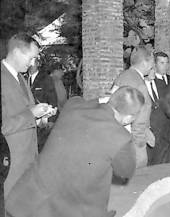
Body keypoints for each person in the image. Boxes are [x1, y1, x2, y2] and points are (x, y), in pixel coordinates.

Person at [6, 86, 144, 217]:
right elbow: (126, 172)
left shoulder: (73, 106)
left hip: (27, 202)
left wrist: (104, 100)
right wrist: (125, 129)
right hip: (69, 211)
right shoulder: (121, 138)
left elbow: (80, 99)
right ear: (129, 118)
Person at [1, 32, 55, 198]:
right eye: (31, 58)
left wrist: (41, 117)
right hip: (10, 164)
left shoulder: (20, 77)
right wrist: (32, 114)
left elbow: (25, 112)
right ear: (16, 52)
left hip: (27, 161)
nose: (33, 63)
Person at [111, 46, 155, 168]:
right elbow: (140, 116)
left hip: (118, 135)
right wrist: (140, 143)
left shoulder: (123, 76)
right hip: (133, 140)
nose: (152, 66)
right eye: (152, 62)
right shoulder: (138, 83)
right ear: (146, 62)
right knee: (138, 174)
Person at [146, 52, 170, 165]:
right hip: (155, 129)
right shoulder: (149, 82)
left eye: (167, 63)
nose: (165, 66)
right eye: (162, 63)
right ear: (155, 65)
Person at [27, 58, 58, 152]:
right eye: (29, 63)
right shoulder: (22, 78)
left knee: (41, 148)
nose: (31, 65)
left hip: (43, 121)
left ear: (38, 63)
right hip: (28, 120)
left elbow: (53, 99)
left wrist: (51, 120)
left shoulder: (46, 79)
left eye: (33, 63)